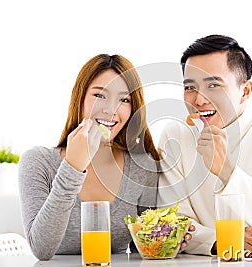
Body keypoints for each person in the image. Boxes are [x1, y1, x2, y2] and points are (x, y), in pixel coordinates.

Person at [157, 35, 252, 256]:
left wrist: (227, 171)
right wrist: (221, 239)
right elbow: (170, 223)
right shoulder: (175, 136)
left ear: (245, 91)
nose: (199, 100)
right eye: (190, 87)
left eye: (214, 85)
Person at [18, 54, 161, 260]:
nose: (111, 109)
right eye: (99, 95)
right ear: (80, 98)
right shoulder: (38, 162)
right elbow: (41, 249)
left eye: (124, 99)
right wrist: (73, 167)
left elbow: (146, 252)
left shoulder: (142, 167)